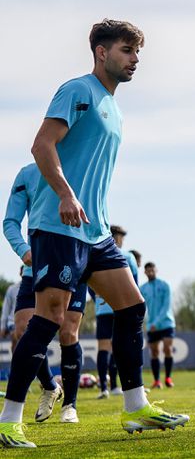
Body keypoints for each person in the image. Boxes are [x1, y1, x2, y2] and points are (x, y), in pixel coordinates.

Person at [0, 20, 187, 448]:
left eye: (137, 52)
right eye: (127, 51)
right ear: (102, 53)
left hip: (96, 231)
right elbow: (41, 145)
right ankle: (9, 420)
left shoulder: (113, 107)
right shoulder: (78, 90)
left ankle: (136, 406)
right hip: (60, 226)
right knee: (48, 320)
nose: (135, 60)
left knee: (132, 305)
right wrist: (65, 195)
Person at [3, 162, 89, 424]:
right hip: (37, 265)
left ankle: (70, 405)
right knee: (21, 330)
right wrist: (24, 250)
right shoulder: (27, 173)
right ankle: (51, 386)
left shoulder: (79, 165)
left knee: (67, 332)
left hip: (74, 261)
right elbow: (10, 222)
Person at [93, 225, 139, 399]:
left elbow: (89, 281)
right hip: (121, 307)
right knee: (119, 346)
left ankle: (104, 388)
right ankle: (113, 386)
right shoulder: (127, 256)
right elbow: (134, 283)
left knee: (104, 347)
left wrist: (98, 296)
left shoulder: (95, 253)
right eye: (120, 237)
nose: (120, 240)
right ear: (116, 237)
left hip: (103, 308)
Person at [140, 262, 176, 389]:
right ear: (145, 272)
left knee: (168, 349)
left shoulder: (165, 285)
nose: (150, 272)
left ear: (156, 270)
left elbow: (166, 306)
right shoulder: (142, 288)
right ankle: (157, 381)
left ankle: (168, 378)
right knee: (154, 352)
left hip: (166, 323)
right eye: (148, 271)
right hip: (151, 325)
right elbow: (141, 307)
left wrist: (157, 322)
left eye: (152, 270)